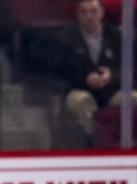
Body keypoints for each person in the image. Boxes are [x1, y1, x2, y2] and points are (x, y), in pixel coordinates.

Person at [51, 0, 137, 146]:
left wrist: (112, 76)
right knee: (80, 101)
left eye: (93, 11)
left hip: (111, 90)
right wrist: (85, 79)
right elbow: (60, 72)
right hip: (79, 89)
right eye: (84, 12)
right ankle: (100, 141)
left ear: (101, 13)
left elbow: (130, 69)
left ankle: (129, 142)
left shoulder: (116, 36)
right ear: (77, 15)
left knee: (134, 97)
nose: (89, 16)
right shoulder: (65, 38)